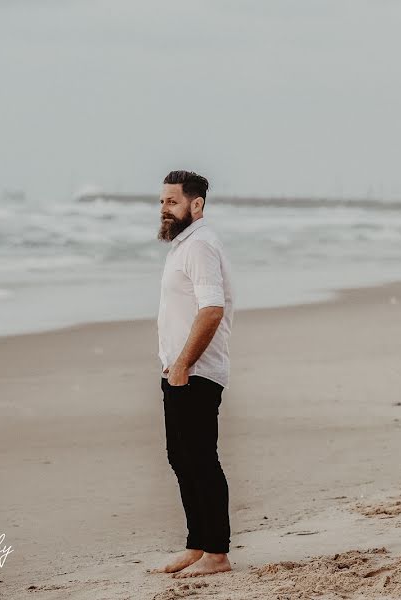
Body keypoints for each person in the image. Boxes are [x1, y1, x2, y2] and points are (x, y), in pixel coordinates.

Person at [149, 170, 234, 578]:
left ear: (195, 204)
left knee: (200, 460)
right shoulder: (184, 245)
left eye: (172, 201)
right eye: (162, 201)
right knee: (181, 458)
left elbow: (212, 309)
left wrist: (183, 364)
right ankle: (198, 545)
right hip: (179, 369)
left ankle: (217, 553)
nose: (164, 208)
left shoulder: (200, 245)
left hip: (195, 371)